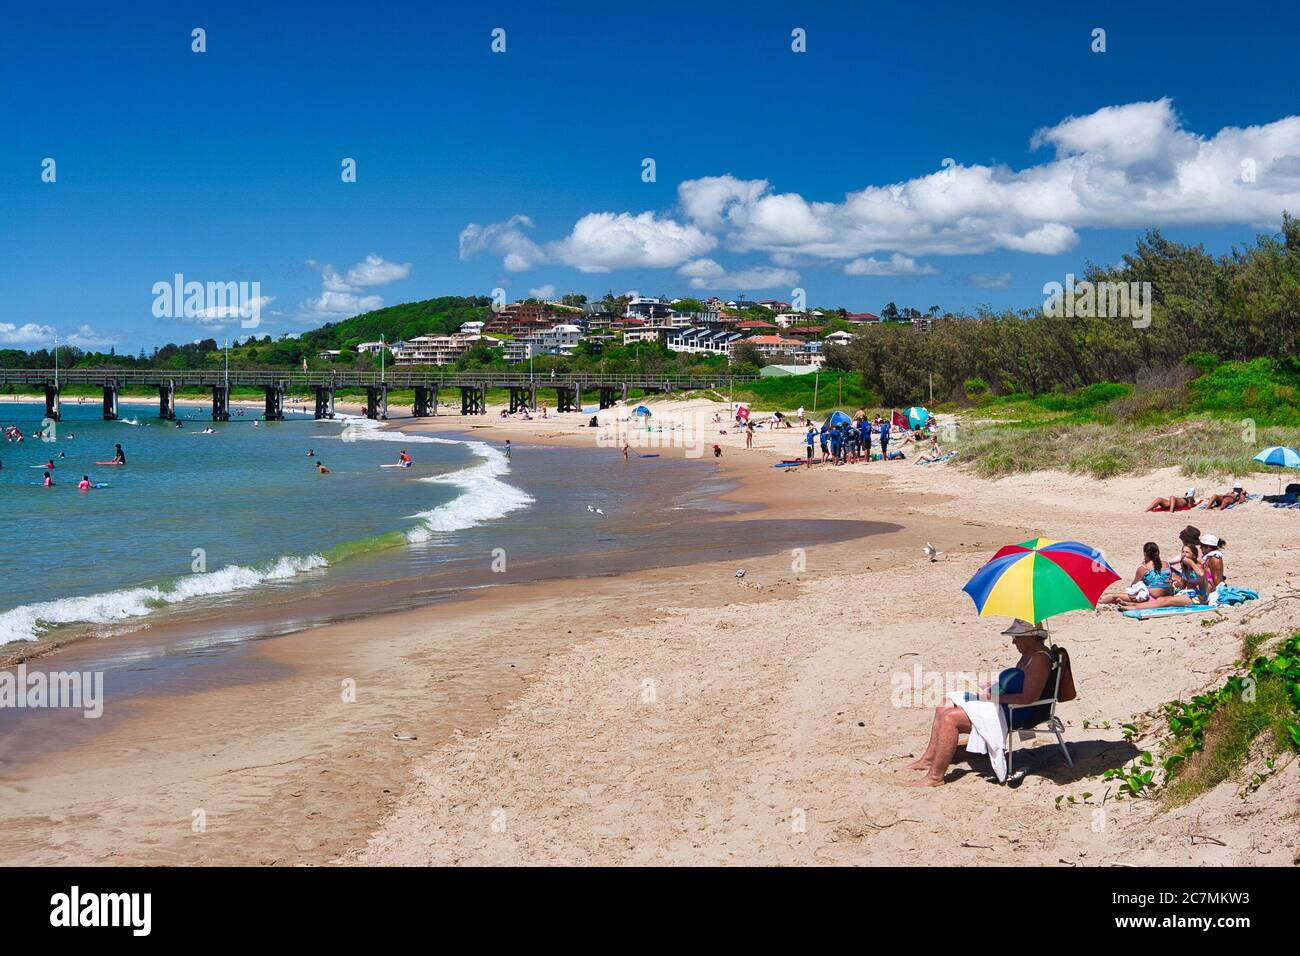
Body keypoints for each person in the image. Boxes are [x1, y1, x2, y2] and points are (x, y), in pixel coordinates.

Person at [907, 620, 1054, 787]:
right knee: (945, 703)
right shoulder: (1030, 654)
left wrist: (993, 697)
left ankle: (935, 777)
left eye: (1017, 637)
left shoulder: (1039, 660)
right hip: (1004, 705)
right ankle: (928, 759)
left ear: (1032, 636)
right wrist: (989, 688)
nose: (1013, 642)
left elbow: (1028, 698)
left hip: (1016, 712)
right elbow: (1016, 683)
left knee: (950, 719)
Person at [1099, 542, 1175, 605]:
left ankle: (1099, 601)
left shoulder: (1143, 568)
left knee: (1115, 596)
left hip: (1152, 597)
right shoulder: (1166, 564)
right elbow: (1168, 580)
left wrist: (1143, 565)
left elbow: (1134, 585)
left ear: (1145, 554)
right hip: (1169, 593)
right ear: (1158, 552)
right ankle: (1103, 597)